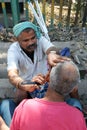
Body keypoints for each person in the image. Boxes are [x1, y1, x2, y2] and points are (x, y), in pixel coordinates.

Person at [3, 20, 70, 126]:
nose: (31, 42)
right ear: (17, 40)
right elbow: (12, 74)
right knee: (20, 93)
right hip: (27, 83)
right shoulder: (13, 50)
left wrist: (52, 54)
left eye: (33, 38)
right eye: (25, 40)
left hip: (44, 81)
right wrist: (23, 84)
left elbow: (51, 48)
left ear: (36, 36)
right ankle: (22, 117)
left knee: (68, 88)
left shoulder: (41, 40)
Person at [9, 61, 87, 130]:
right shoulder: (77, 116)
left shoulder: (25, 107)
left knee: (6, 104)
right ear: (73, 88)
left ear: (48, 78)